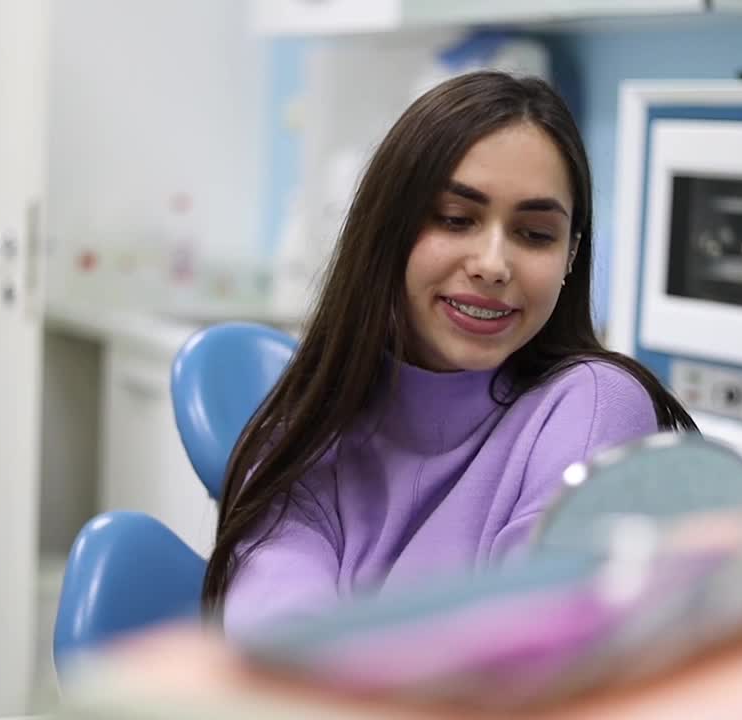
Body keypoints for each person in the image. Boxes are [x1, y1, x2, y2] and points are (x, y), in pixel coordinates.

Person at [205, 71, 696, 634]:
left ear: (570, 256)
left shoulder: (594, 403)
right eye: (456, 219)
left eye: (535, 233)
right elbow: (282, 645)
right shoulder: (304, 434)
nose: (493, 263)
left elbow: (535, 641)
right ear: (386, 231)